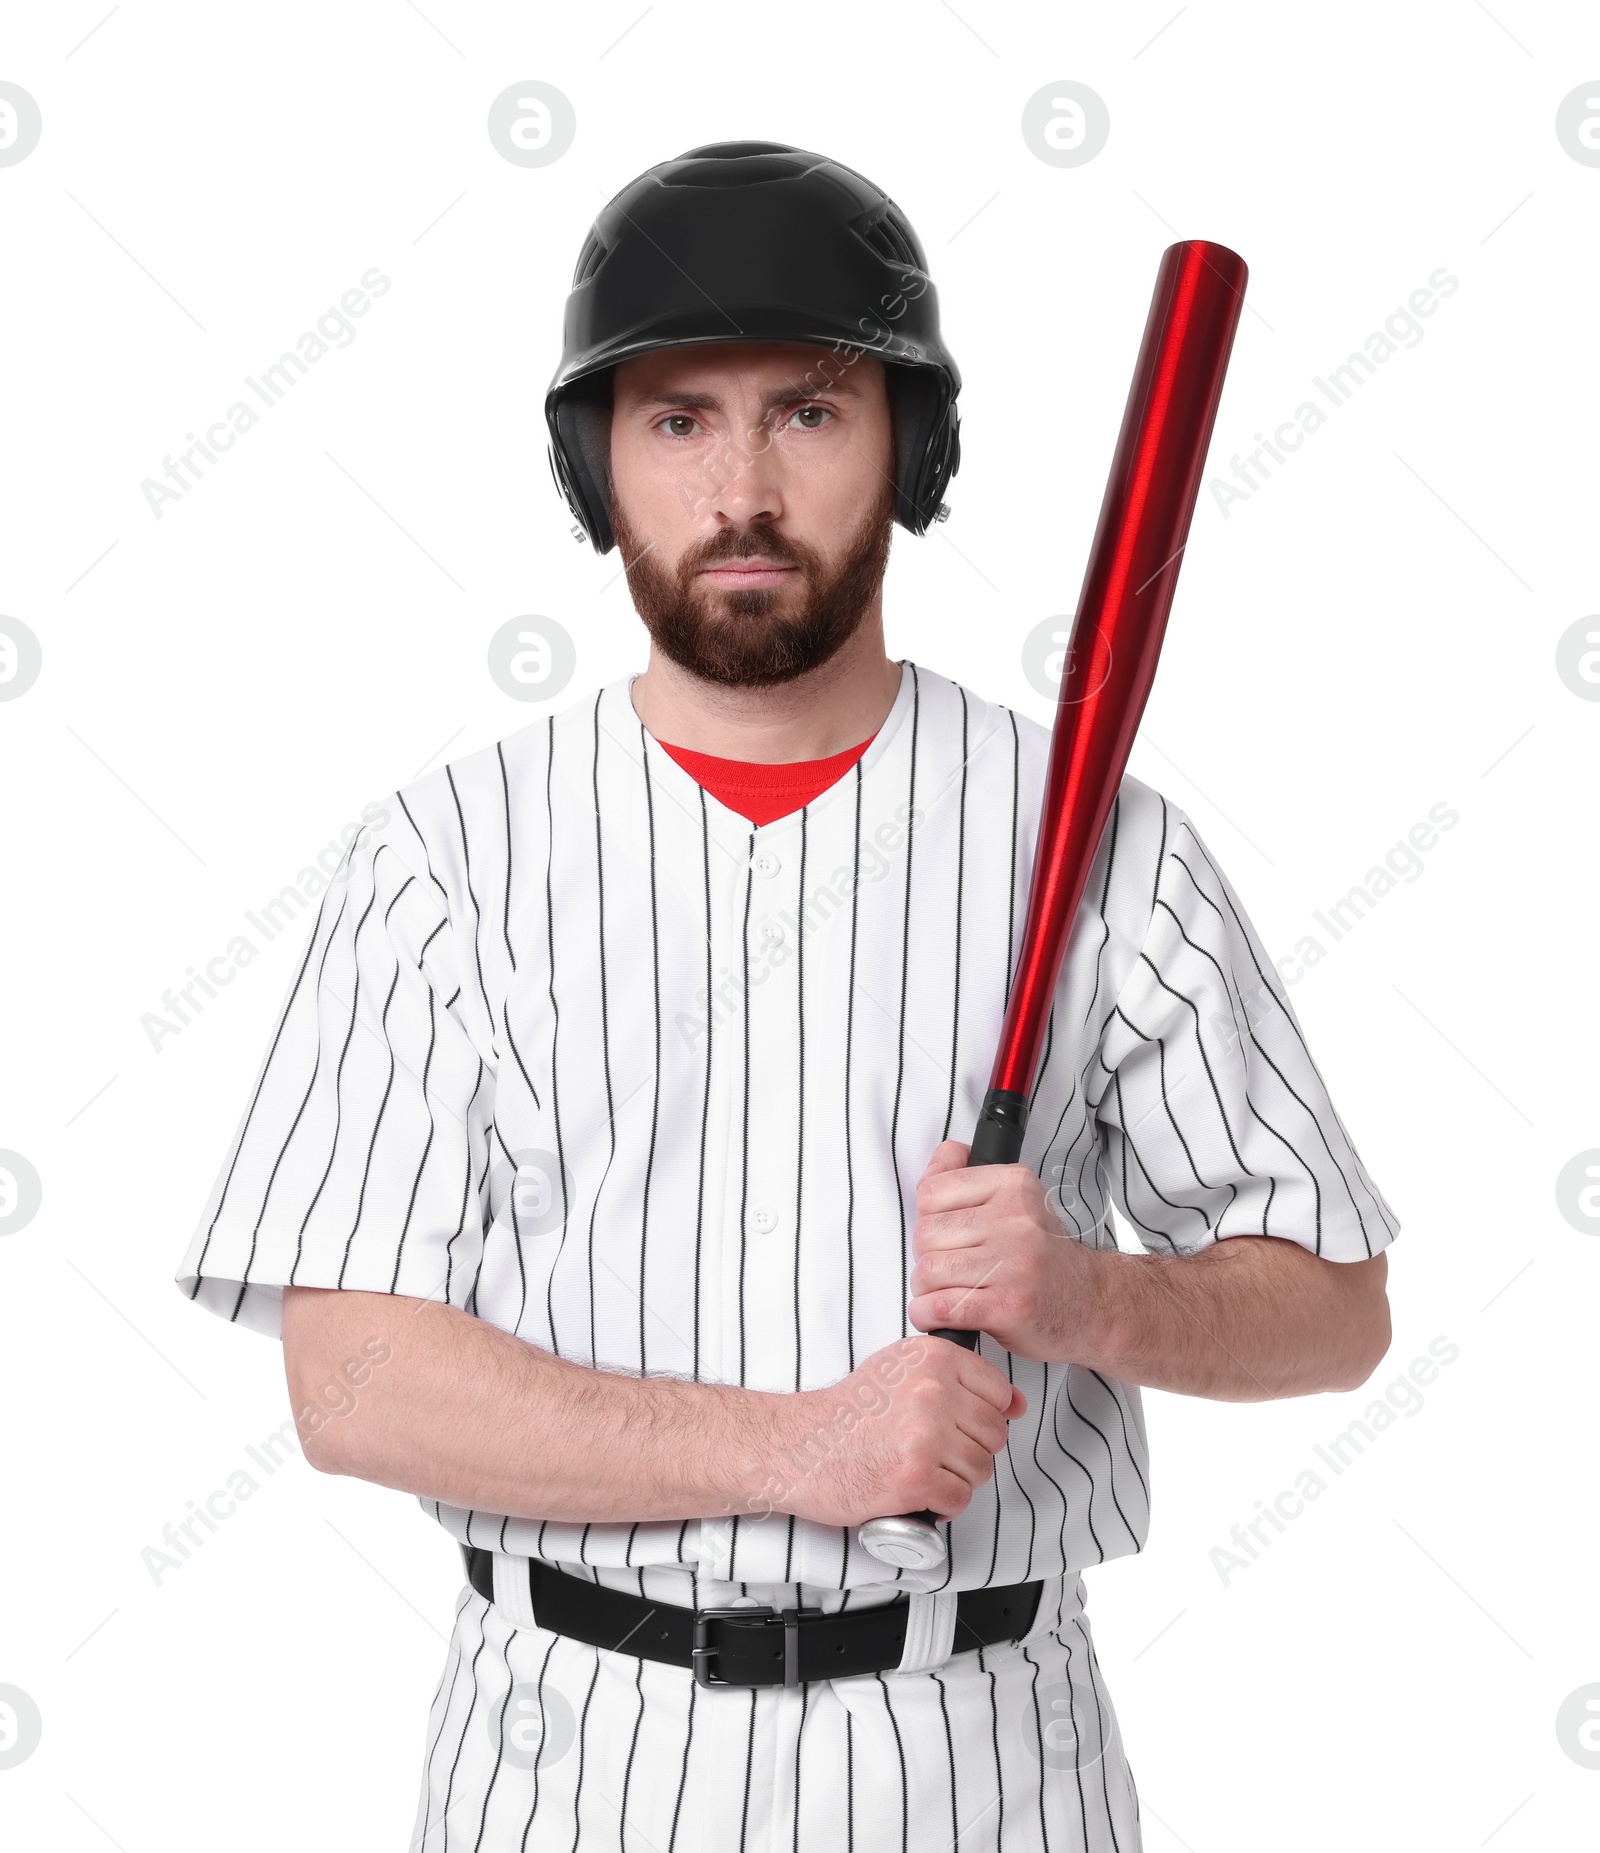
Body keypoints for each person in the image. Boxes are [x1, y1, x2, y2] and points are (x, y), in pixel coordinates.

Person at [175, 142, 1397, 1851]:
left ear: (913, 449)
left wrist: (1093, 1295)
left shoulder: (1105, 844)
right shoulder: (439, 861)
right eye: (679, 418)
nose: (742, 485)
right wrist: (798, 1445)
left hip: (982, 1764)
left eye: (810, 414)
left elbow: (1335, 1304)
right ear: (596, 467)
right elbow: (353, 1382)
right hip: (568, 1763)